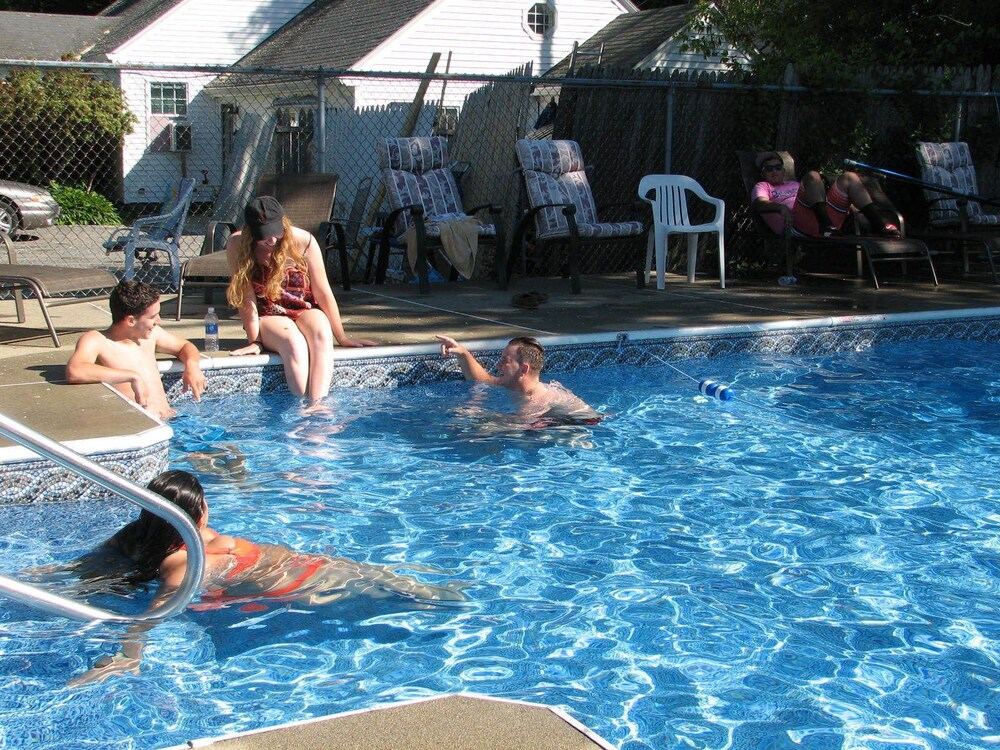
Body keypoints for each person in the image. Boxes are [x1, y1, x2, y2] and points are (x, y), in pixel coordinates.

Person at [68, 470, 466, 686]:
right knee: (422, 595)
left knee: (401, 588)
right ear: (198, 512)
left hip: (300, 571)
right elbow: (155, 612)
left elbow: (86, 571)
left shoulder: (138, 537)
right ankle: (464, 601)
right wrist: (127, 656)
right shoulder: (187, 561)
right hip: (306, 581)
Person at [226, 196, 377, 402]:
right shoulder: (238, 244)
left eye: (275, 233)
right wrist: (255, 340)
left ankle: (317, 408)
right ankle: (299, 407)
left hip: (304, 307)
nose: (271, 241)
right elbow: (246, 295)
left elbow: (322, 291)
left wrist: (341, 337)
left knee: (322, 331)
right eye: (264, 236)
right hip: (270, 313)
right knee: (293, 342)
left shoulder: (303, 241)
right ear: (251, 232)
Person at [66, 280, 205, 419]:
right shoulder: (98, 340)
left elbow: (185, 346)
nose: (159, 320)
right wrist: (132, 376)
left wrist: (192, 366)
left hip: (170, 418)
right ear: (131, 320)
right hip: (139, 426)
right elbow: (75, 370)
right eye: (152, 317)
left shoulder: (152, 335)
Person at [436, 334, 601, 426]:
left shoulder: (537, 401)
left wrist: (475, 417)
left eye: (505, 361)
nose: (498, 364)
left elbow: (514, 426)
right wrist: (462, 352)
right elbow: (484, 379)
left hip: (584, 425)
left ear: (524, 369)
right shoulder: (512, 383)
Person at [751, 151, 901, 239]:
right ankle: (826, 225)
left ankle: (880, 224)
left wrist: (852, 208)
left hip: (825, 220)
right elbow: (759, 203)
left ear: (784, 170)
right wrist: (780, 208)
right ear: (762, 173)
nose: (774, 171)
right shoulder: (763, 186)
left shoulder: (795, 185)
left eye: (778, 167)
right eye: (769, 169)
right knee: (812, 176)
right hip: (796, 224)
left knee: (850, 177)